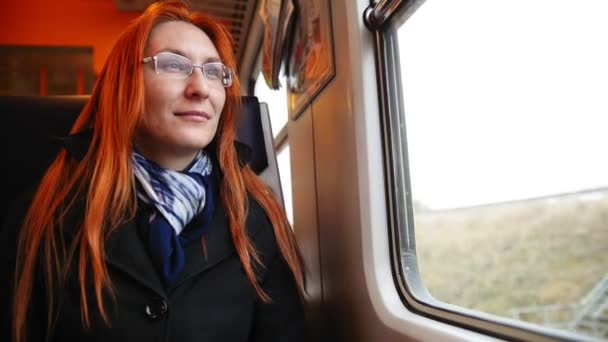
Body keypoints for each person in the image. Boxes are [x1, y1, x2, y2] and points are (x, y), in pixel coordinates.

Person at [0, 1, 306, 341]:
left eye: (215, 72)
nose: (200, 88)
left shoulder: (256, 218)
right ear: (125, 85)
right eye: (173, 65)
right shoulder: (49, 211)